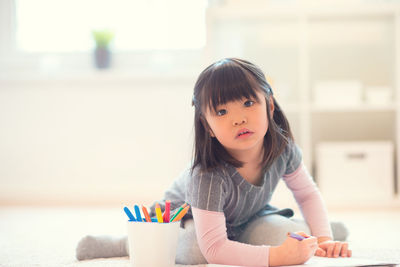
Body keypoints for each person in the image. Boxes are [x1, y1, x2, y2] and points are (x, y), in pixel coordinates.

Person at [76, 58, 351, 266]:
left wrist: (324, 239)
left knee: (293, 239)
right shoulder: (207, 174)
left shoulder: (282, 149)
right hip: (188, 219)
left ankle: (315, 230)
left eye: (247, 103)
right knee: (197, 251)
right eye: (221, 111)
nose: (238, 118)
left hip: (247, 216)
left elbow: (307, 193)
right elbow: (214, 249)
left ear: (269, 105)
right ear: (206, 126)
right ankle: (129, 243)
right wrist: (276, 258)